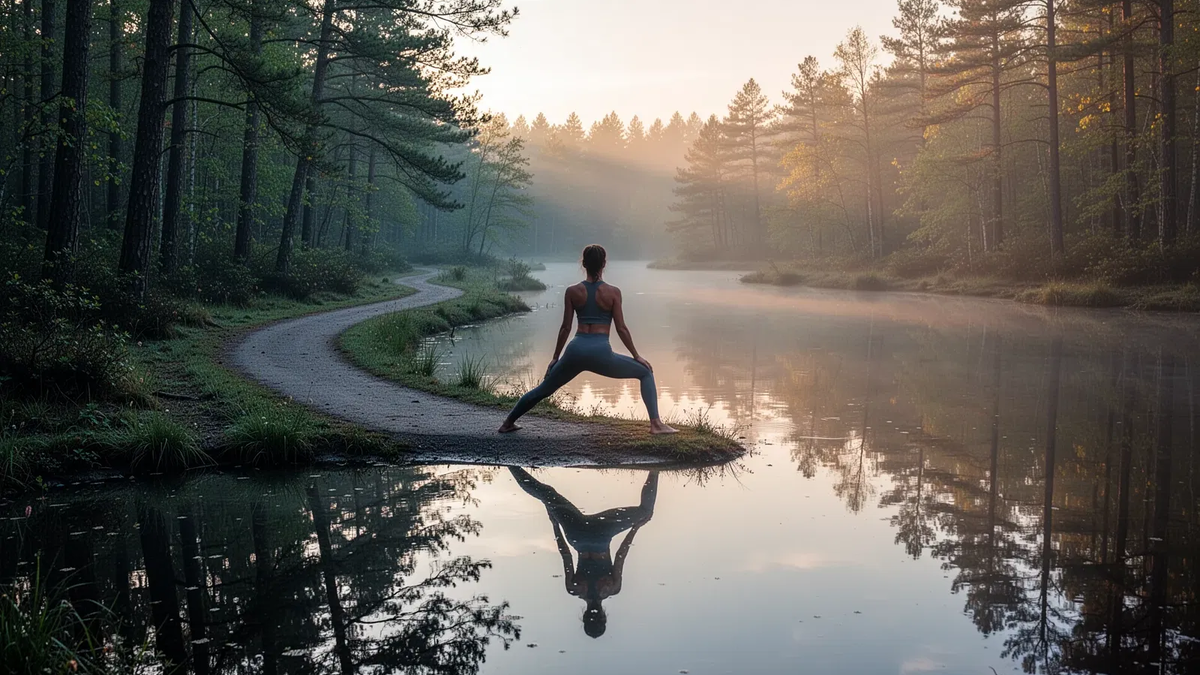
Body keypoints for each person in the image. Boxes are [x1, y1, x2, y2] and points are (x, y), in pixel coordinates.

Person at [498, 244, 677, 434]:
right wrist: (636, 355)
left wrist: (555, 357)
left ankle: (507, 423)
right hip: (601, 352)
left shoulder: (572, 291)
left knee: (543, 389)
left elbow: (565, 328)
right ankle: (656, 424)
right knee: (645, 372)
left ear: (583, 264)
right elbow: (621, 328)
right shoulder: (613, 292)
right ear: (604, 264)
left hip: (575, 350)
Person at [508, 466, 658, 638]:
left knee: (645, 511)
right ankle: (509, 464)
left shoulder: (613, 589)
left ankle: (656, 468)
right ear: (584, 617)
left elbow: (621, 554)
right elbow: (565, 554)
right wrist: (555, 524)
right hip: (576, 535)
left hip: (602, 533)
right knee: (546, 493)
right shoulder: (574, 589)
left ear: (604, 617)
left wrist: (635, 527)